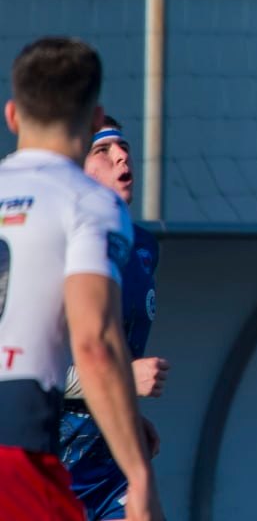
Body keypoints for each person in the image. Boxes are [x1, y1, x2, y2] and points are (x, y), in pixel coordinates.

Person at [1, 39, 162, 521]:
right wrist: (139, 475)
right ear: (95, 116)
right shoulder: (88, 201)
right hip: (22, 438)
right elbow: (94, 343)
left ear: (13, 116)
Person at [58, 117, 169, 521]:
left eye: (122, 147)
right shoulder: (51, 244)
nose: (122, 155)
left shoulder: (141, 246)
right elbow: (19, 365)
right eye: (101, 151)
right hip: (49, 466)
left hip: (111, 466)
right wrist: (122, 379)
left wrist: (123, 411)